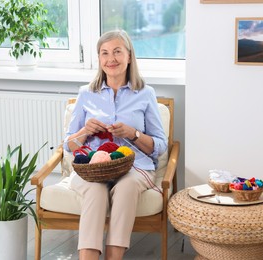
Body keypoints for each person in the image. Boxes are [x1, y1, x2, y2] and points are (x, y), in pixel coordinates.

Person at [63, 29, 167, 260]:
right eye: (105, 53)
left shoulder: (145, 93)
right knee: (96, 190)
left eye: (117, 52)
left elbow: (160, 146)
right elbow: (69, 146)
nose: (111, 59)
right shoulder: (86, 94)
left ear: (129, 56)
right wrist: (84, 131)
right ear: (99, 59)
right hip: (92, 168)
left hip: (136, 167)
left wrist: (134, 134)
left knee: (127, 187)